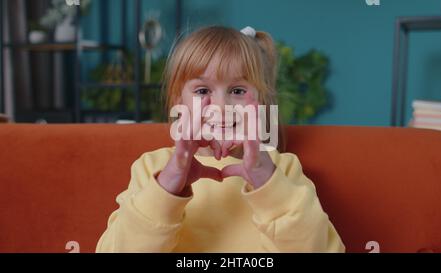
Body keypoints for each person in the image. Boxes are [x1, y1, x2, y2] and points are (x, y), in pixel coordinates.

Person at [96, 26, 345, 253]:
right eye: (203, 91)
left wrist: (269, 183)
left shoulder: (284, 168)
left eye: (237, 91)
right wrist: (169, 184)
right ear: (178, 101)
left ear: (261, 103)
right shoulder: (152, 168)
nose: (221, 106)